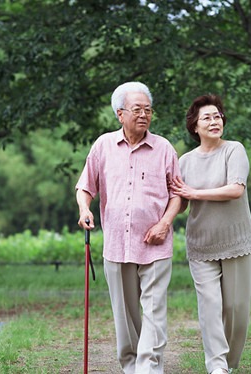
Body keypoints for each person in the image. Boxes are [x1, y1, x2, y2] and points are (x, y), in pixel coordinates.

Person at [75, 81, 182, 374]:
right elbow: (85, 186)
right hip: (116, 245)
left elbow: (178, 195)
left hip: (156, 244)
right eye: (137, 110)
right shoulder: (103, 146)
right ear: (119, 114)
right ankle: (131, 366)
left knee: (154, 310)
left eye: (148, 110)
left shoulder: (164, 149)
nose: (144, 115)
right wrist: (84, 209)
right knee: (125, 315)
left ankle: (148, 367)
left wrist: (165, 222)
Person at [170, 94, 251, 374]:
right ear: (194, 126)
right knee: (210, 307)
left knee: (236, 309)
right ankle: (217, 367)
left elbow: (235, 189)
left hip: (235, 242)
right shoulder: (184, 161)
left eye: (217, 116)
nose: (214, 121)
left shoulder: (234, 150)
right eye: (207, 117)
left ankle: (229, 364)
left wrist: (195, 193)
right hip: (201, 245)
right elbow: (180, 203)